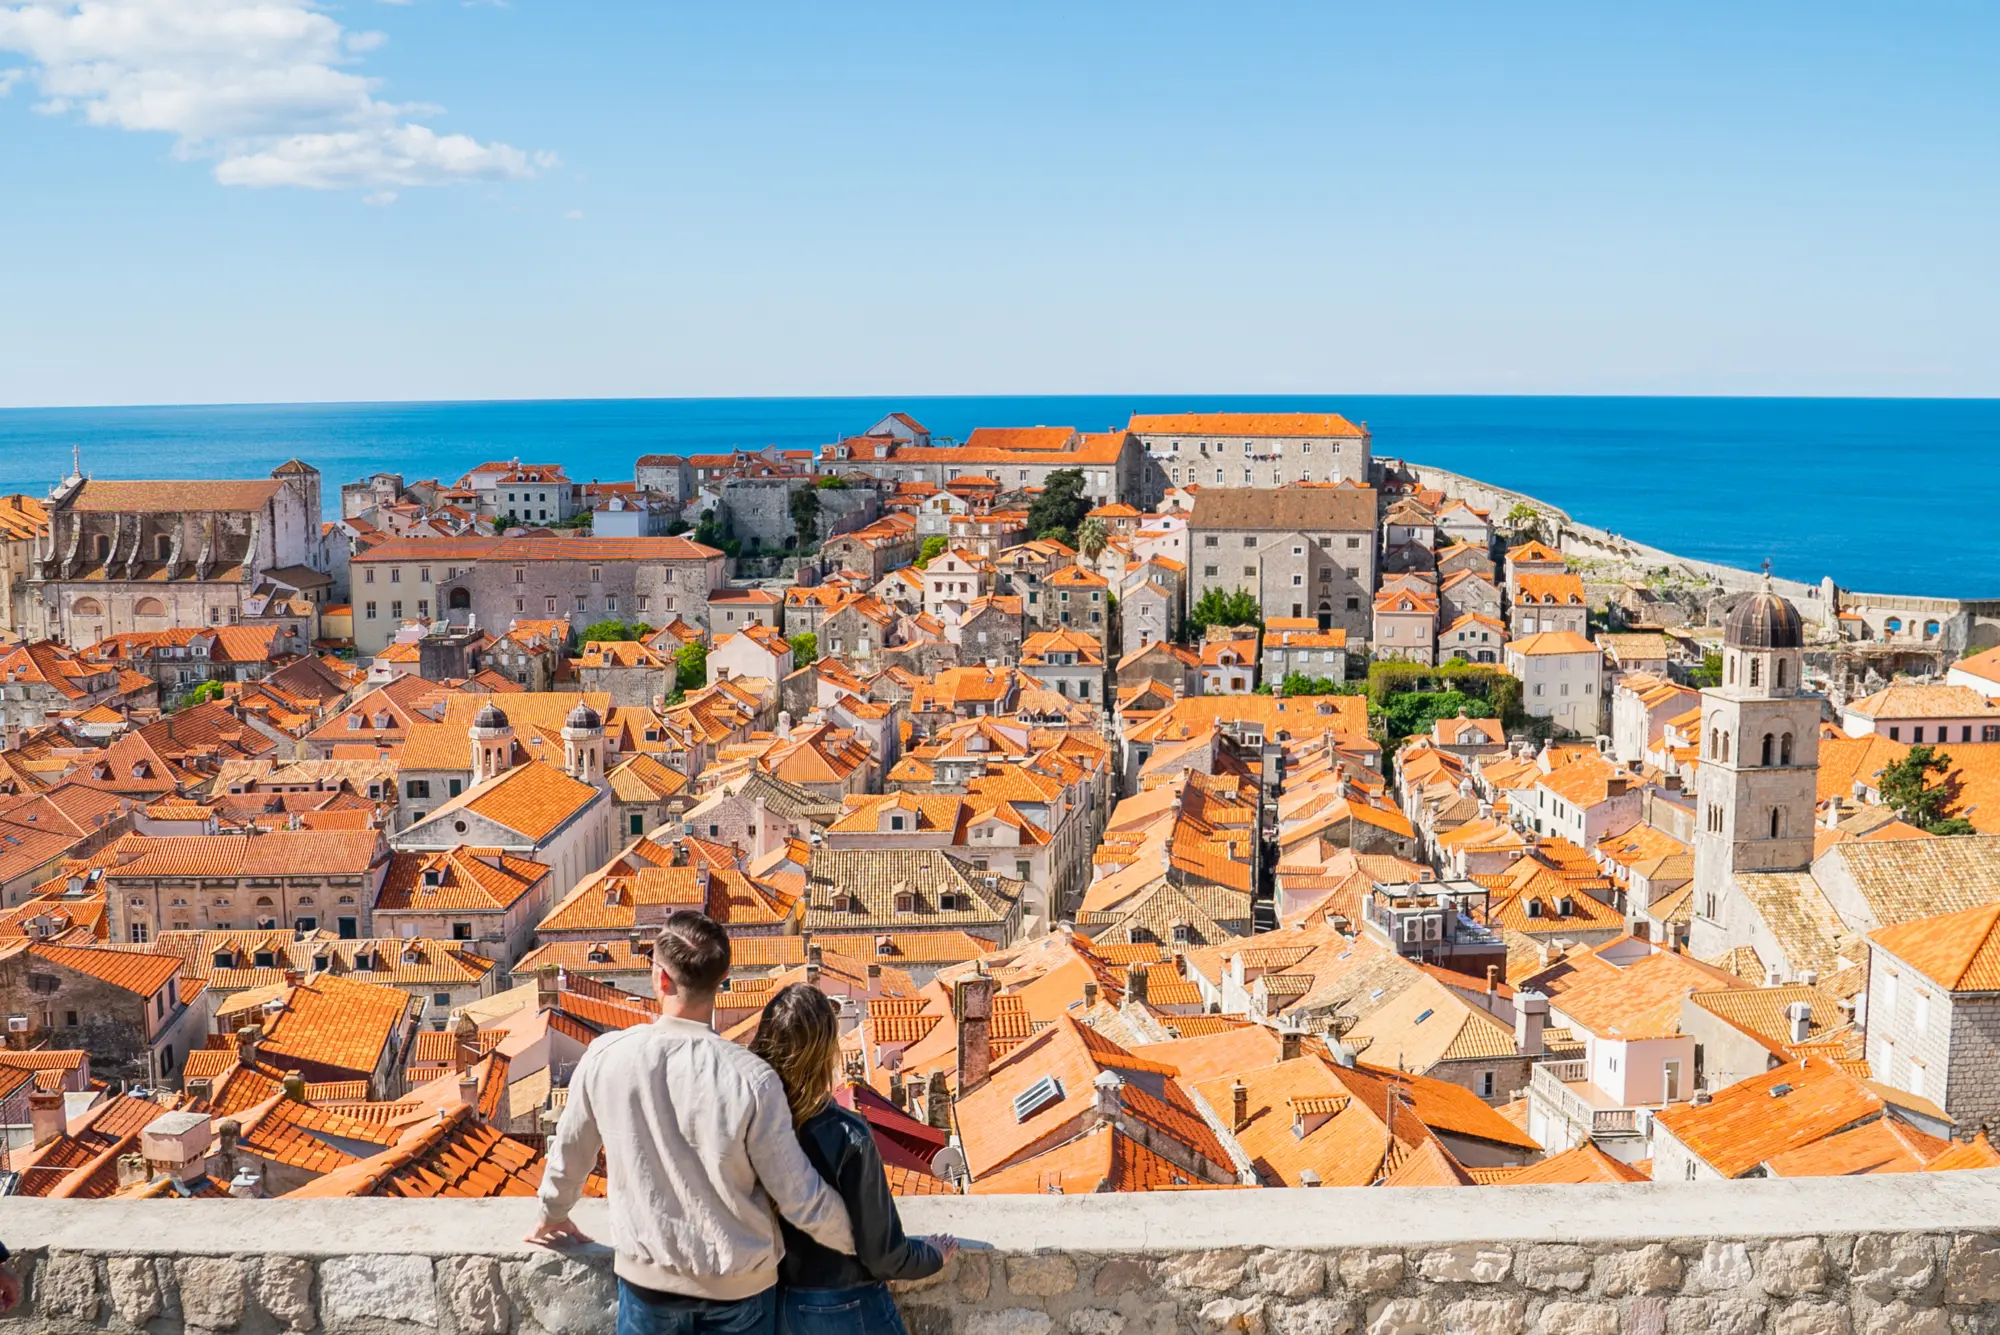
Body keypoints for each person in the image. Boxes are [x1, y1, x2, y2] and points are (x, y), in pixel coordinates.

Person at [529, 911, 857, 1335]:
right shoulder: (752, 1078)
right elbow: (799, 1196)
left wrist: (551, 1214)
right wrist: (862, 1243)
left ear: (661, 979)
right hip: (740, 1285)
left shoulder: (605, 1057)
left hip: (650, 1284)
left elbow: (570, 1155)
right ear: (722, 980)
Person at [749, 984, 957, 1335]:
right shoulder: (849, 1136)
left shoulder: (751, 1121)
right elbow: (883, 1253)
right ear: (827, 1052)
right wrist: (932, 1255)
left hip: (778, 1304)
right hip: (844, 1304)